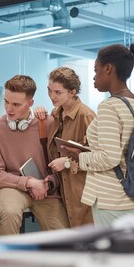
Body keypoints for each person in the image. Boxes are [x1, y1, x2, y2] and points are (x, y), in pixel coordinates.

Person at [60, 44, 134, 228]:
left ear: (108, 69)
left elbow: (110, 158)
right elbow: (126, 148)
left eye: (96, 70)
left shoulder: (109, 106)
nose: (94, 77)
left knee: (112, 256)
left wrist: (79, 155)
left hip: (113, 201)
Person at [0, 75, 69, 235]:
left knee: (62, 234)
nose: (9, 109)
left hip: (45, 190)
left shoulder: (48, 124)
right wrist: (28, 182)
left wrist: (48, 183)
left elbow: (60, 166)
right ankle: (4, 260)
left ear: (30, 103)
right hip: (12, 188)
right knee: (9, 213)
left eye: (16, 104)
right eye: (6, 102)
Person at [35, 67, 96, 227]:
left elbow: (98, 157)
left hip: (82, 188)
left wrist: (67, 162)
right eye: (49, 91)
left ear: (72, 92)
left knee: (85, 237)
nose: (52, 96)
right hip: (62, 186)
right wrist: (39, 113)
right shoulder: (56, 113)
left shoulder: (86, 115)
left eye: (57, 92)